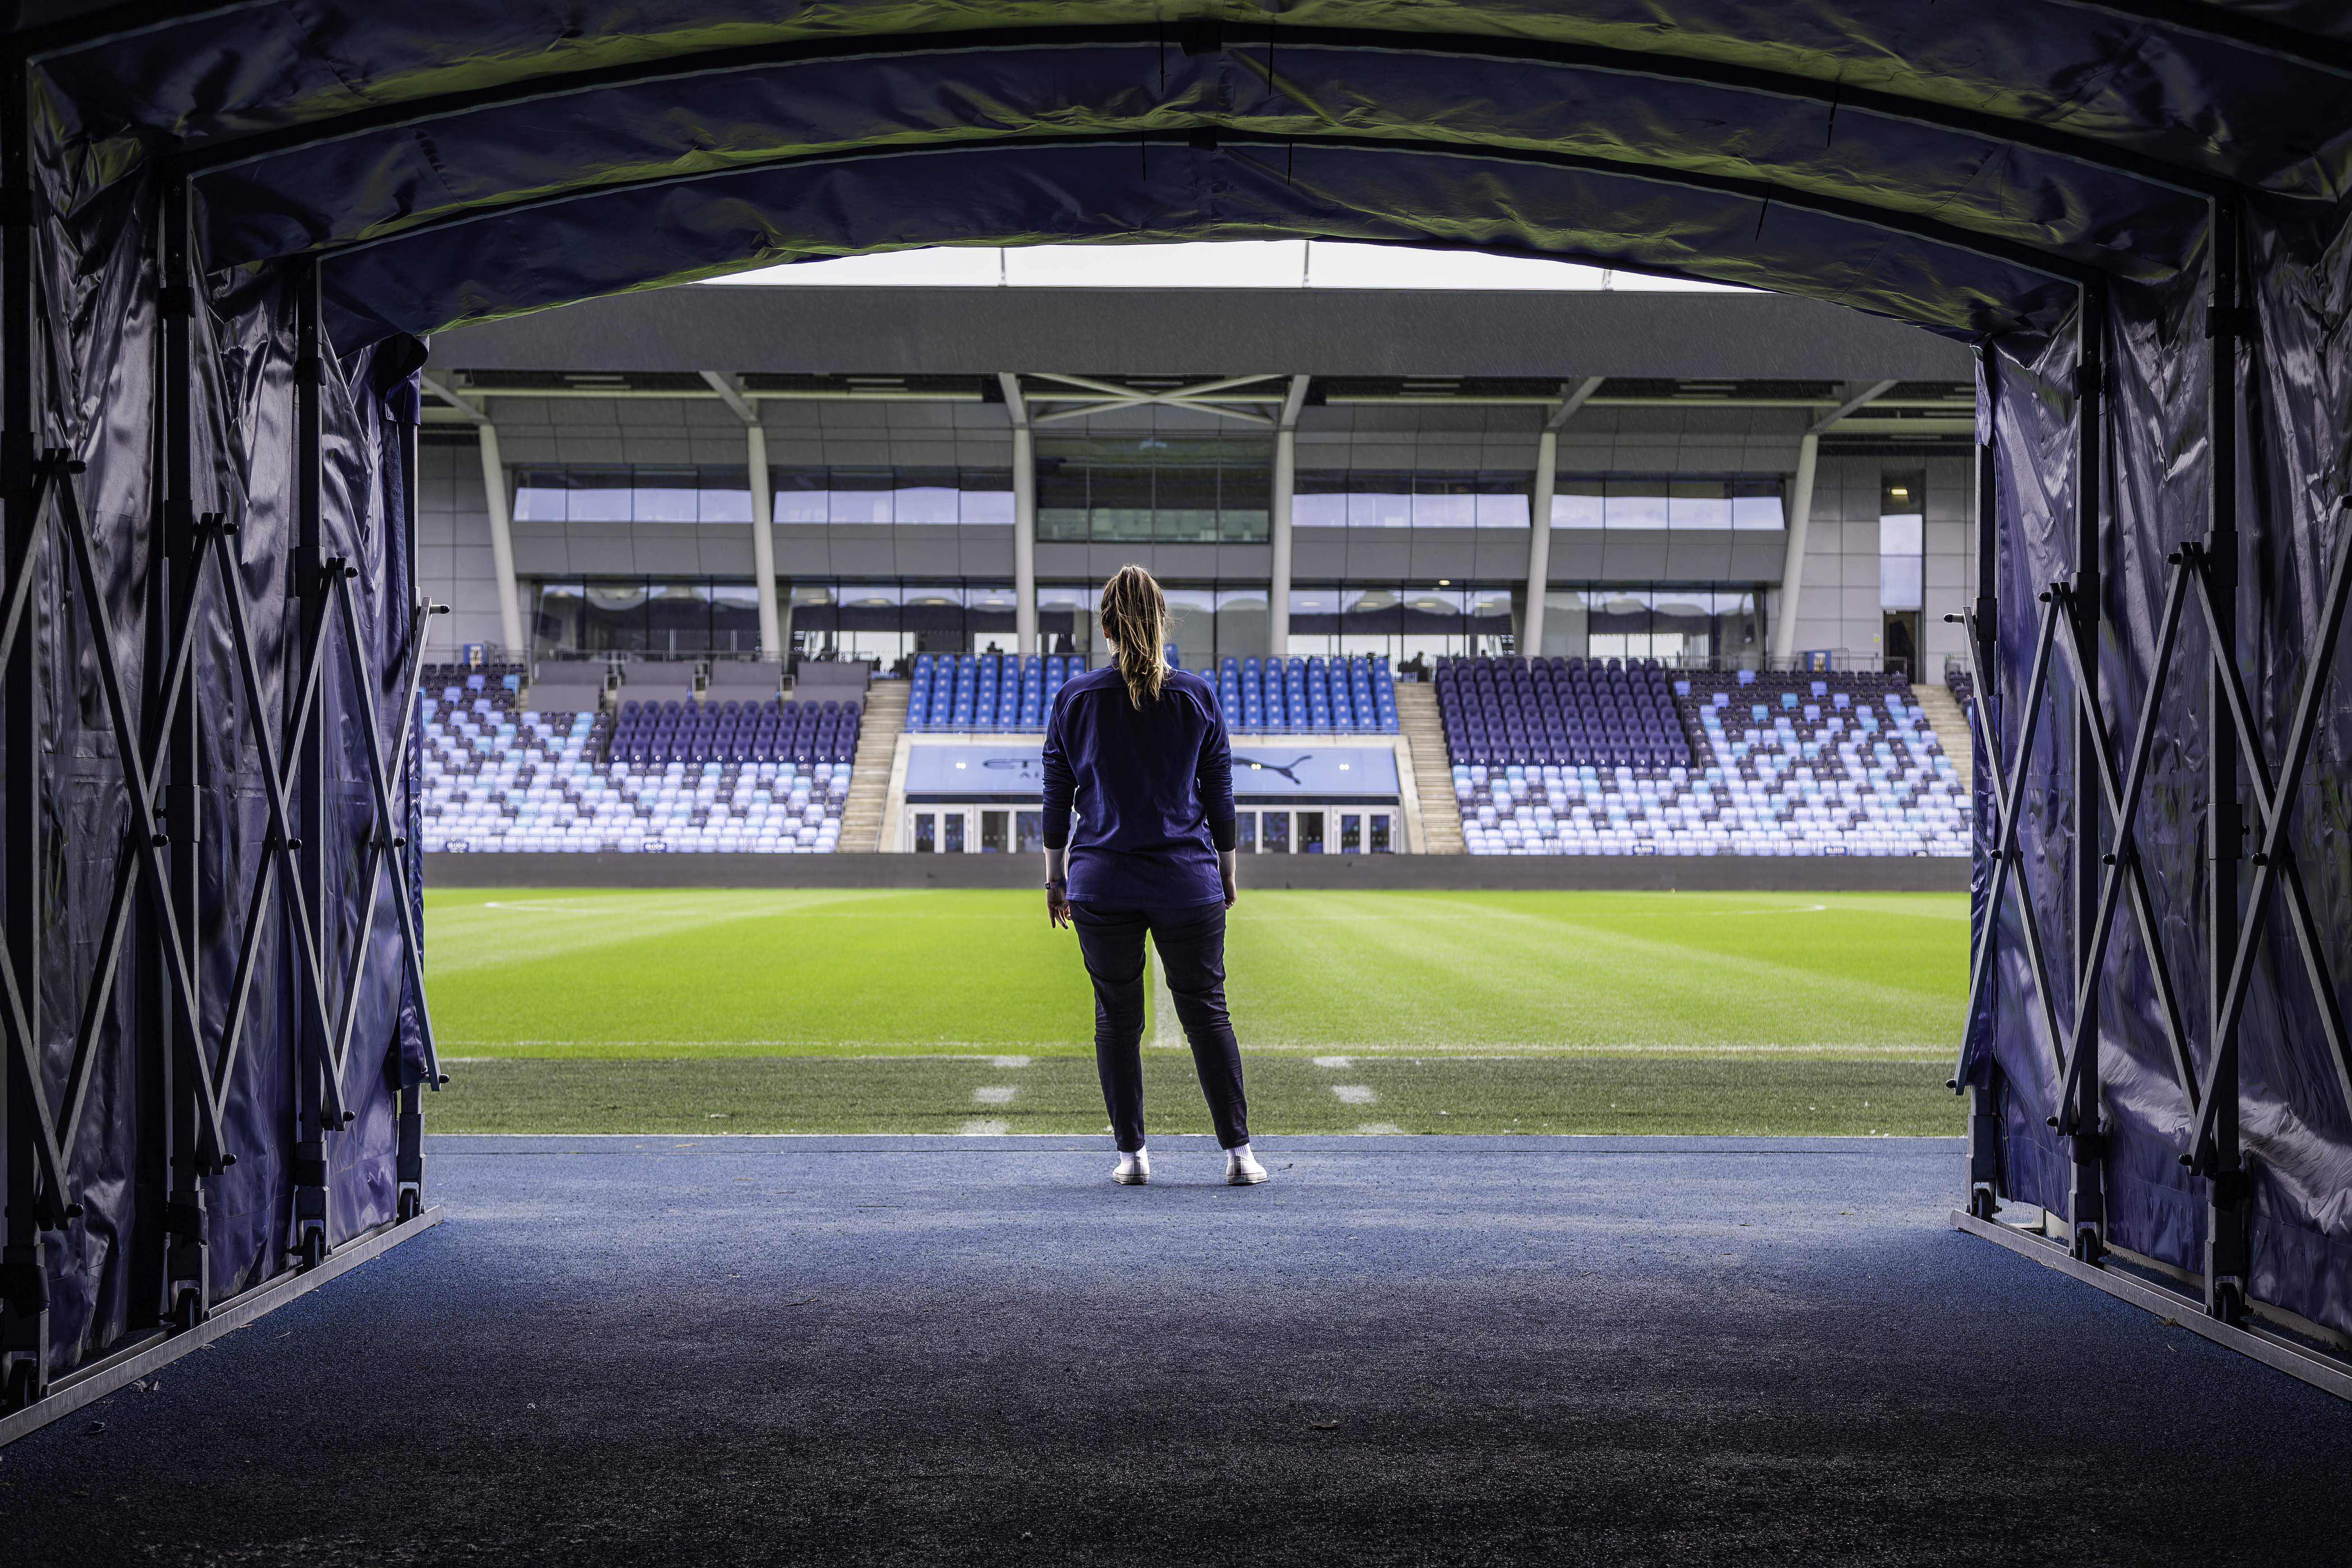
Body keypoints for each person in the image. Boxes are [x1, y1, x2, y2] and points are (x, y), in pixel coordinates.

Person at [1041, 566, 1265, 1187]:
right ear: (1162, 623)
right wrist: (1226, 872)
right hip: (1185, 879)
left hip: (1100, 881)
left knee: (1117, 1018)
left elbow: (1057, 797)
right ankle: (1239, 1155)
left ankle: (1132, 1156)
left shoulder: (1076, 697)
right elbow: (1218, 792)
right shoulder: (1196, 695)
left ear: (1106, 626)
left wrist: (1054, 881)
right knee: (1207, 1014)